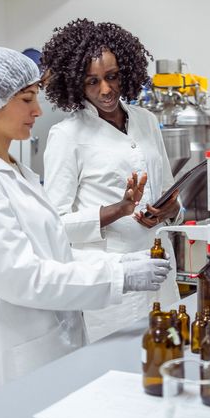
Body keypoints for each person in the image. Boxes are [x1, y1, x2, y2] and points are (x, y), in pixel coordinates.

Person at [0, 46, 171, 398]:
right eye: (27, 99)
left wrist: (121, 262)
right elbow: (23, 277)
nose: (37, 111)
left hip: (53, 343)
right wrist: (117, 275)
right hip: (14, 357)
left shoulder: (16, 173)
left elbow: (54, 253)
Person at [42, 19, 182, 342]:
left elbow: (171, 193)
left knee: (170, 359)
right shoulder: (67, 136)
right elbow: (55, 225)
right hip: (114, 286)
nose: (105, 90)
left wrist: (168, 210)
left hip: (161, 270)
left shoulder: (147, 121)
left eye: (112, 77)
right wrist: (119, 210)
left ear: (126, 72)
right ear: (77, 83)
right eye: (92, 81)